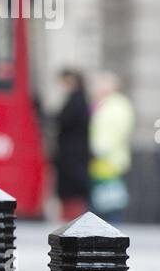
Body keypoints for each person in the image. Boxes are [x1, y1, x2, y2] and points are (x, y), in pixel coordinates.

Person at [88, 70, 135, 224]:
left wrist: (100, 148)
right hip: (99, 161)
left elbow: (116, 131)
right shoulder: (101, 103)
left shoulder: (117, 105)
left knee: (111, 202)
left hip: (110, 160)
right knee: (101, 200)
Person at [53, 68, 91, 220]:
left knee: (73, 195)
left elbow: (64, 120)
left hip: (72, 158)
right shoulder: (78, 99)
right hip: (73, 157)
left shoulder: (76, 101)